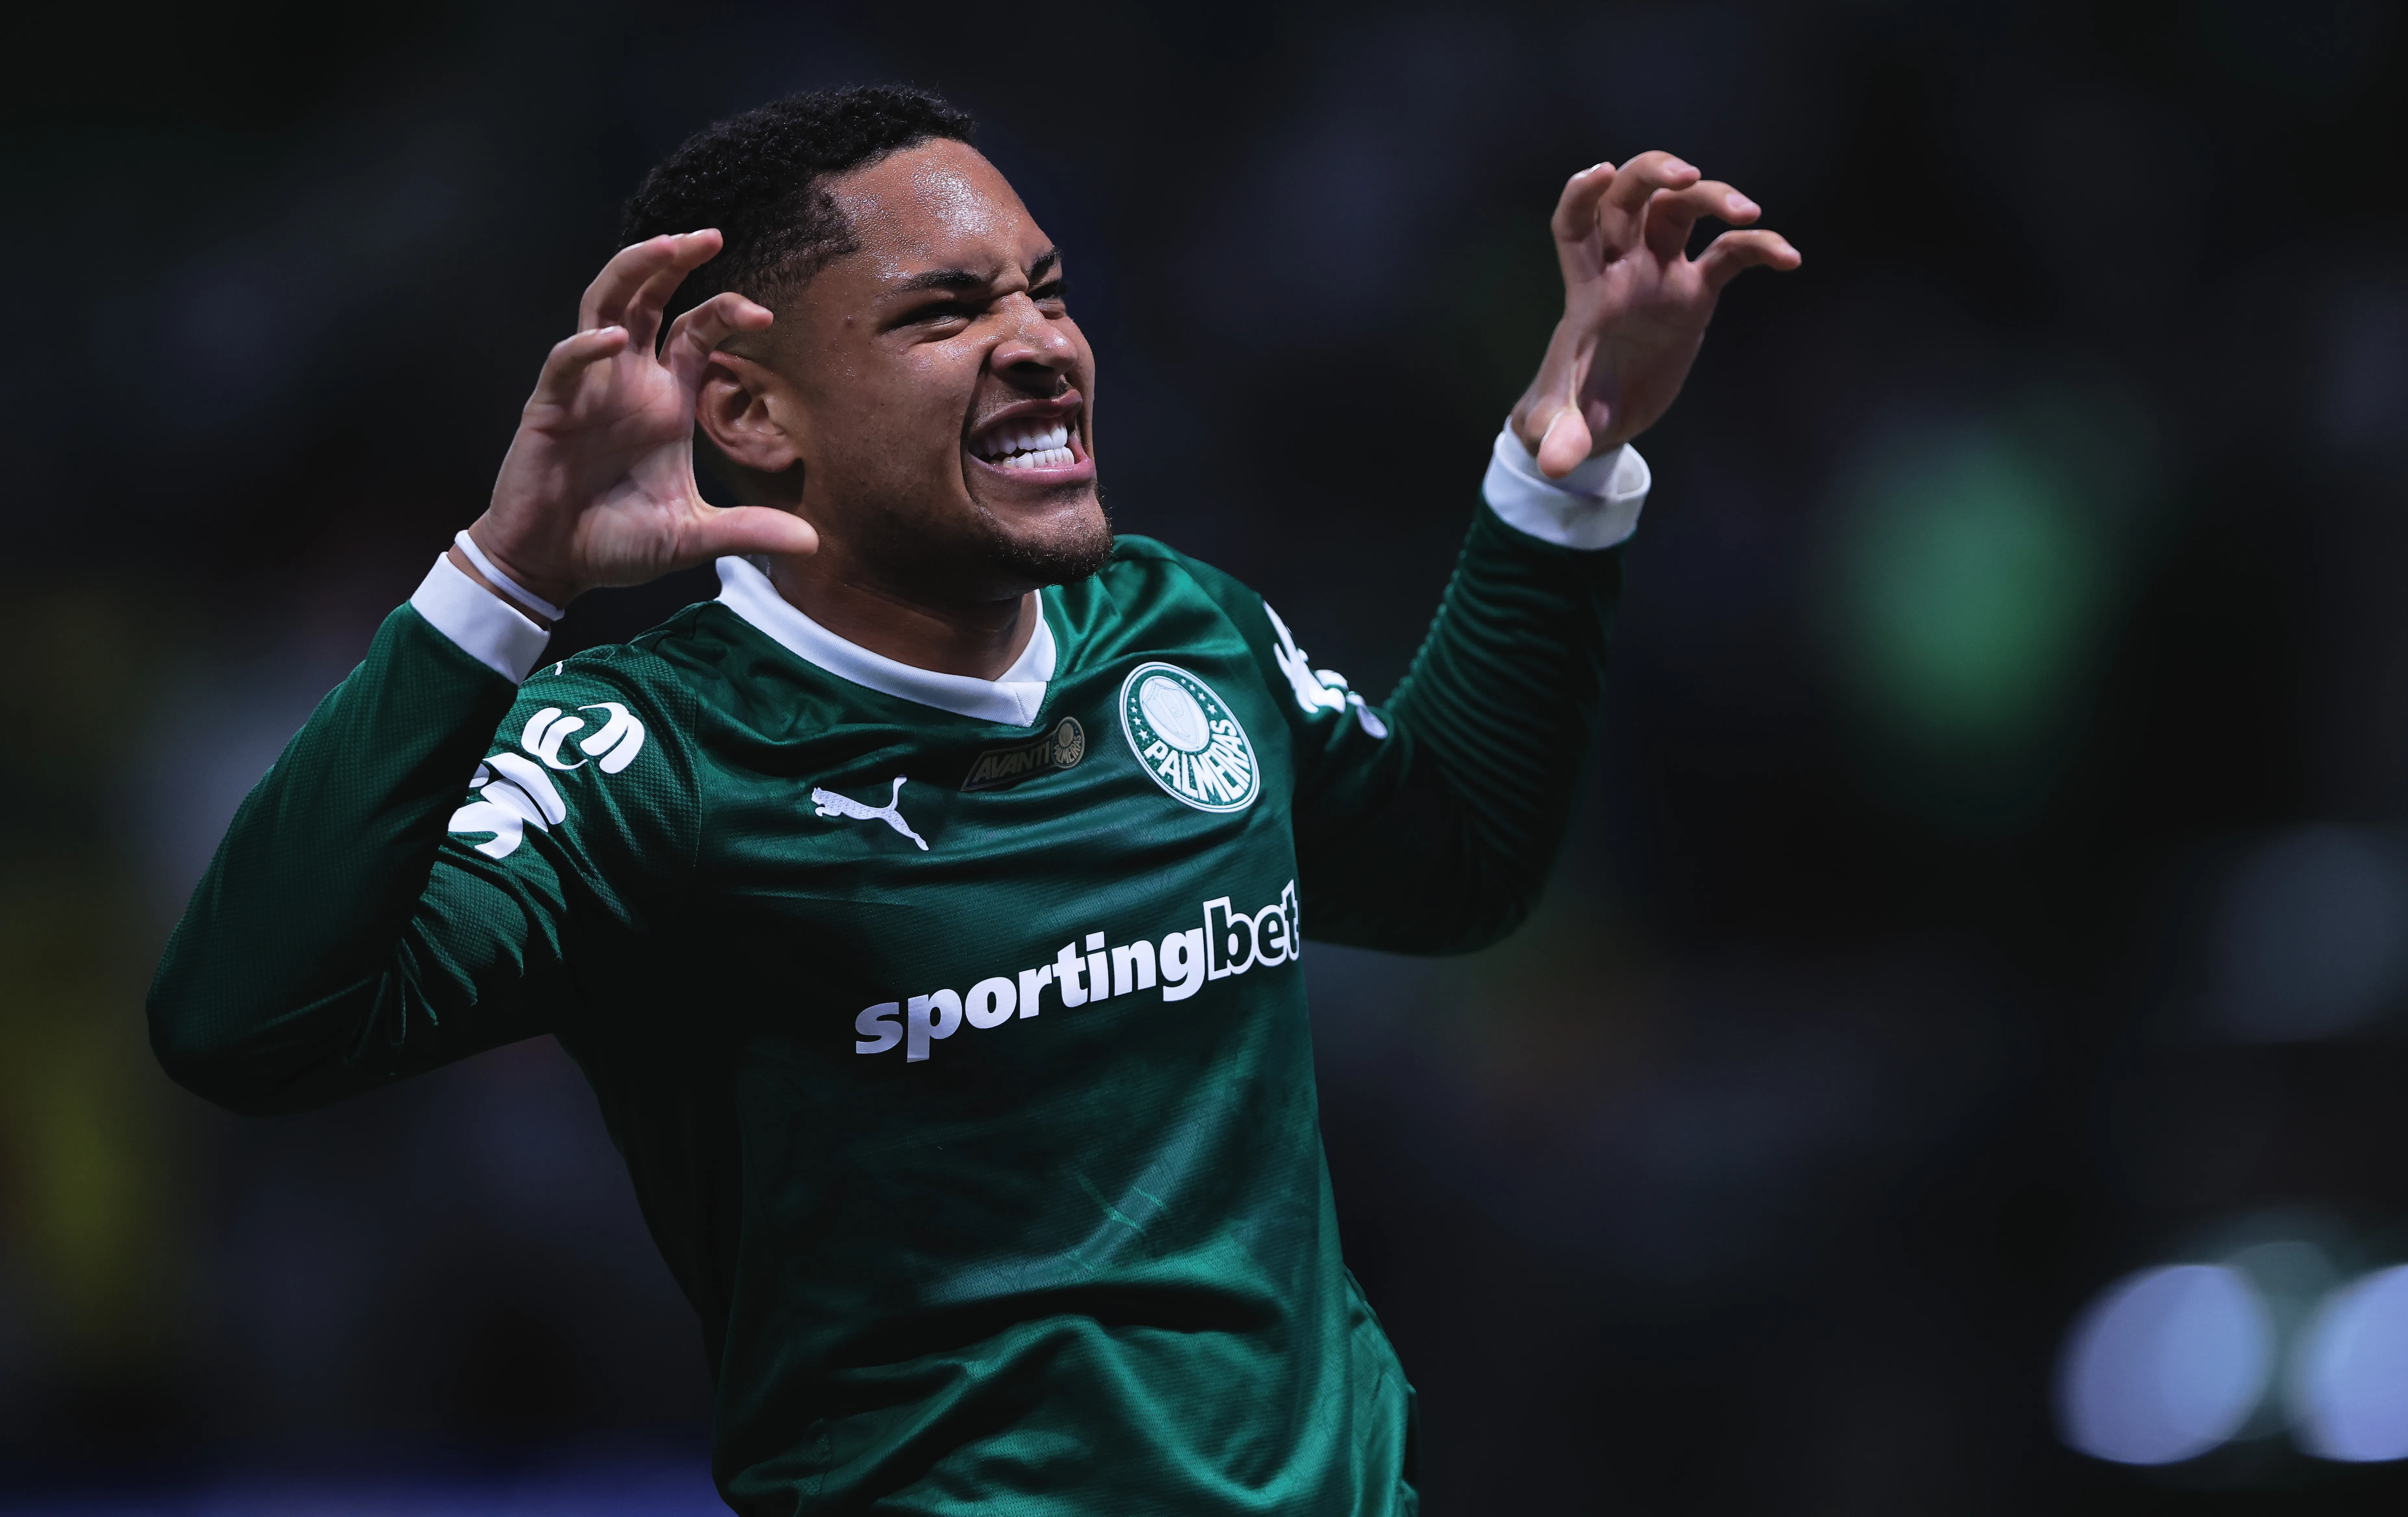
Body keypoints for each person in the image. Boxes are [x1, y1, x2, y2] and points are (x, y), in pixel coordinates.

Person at [149, 84, 1797, 1514]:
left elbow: (1453, 865)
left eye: (1049, 292)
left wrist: (1558, 473)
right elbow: (247, 1021)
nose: (1041, 345)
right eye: (943, 313)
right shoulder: (650, 757)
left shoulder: (1178, 631)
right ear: (745, 407)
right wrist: (501, 582)